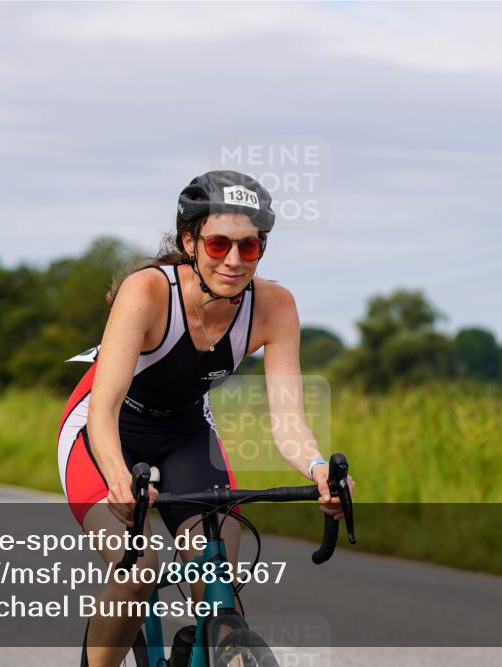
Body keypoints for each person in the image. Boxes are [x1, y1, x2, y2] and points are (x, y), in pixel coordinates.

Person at [57, 170, 353, 667]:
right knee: (138, 569)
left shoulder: (274, 307)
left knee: (215, 575)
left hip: (185, 433)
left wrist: (318, 469)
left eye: (250, 247)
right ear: (189, 241)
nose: (234, 261)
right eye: (218, 245)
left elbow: (288, 422)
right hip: (104, 435)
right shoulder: (149, 292)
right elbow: (102, 410)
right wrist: (118, 481)